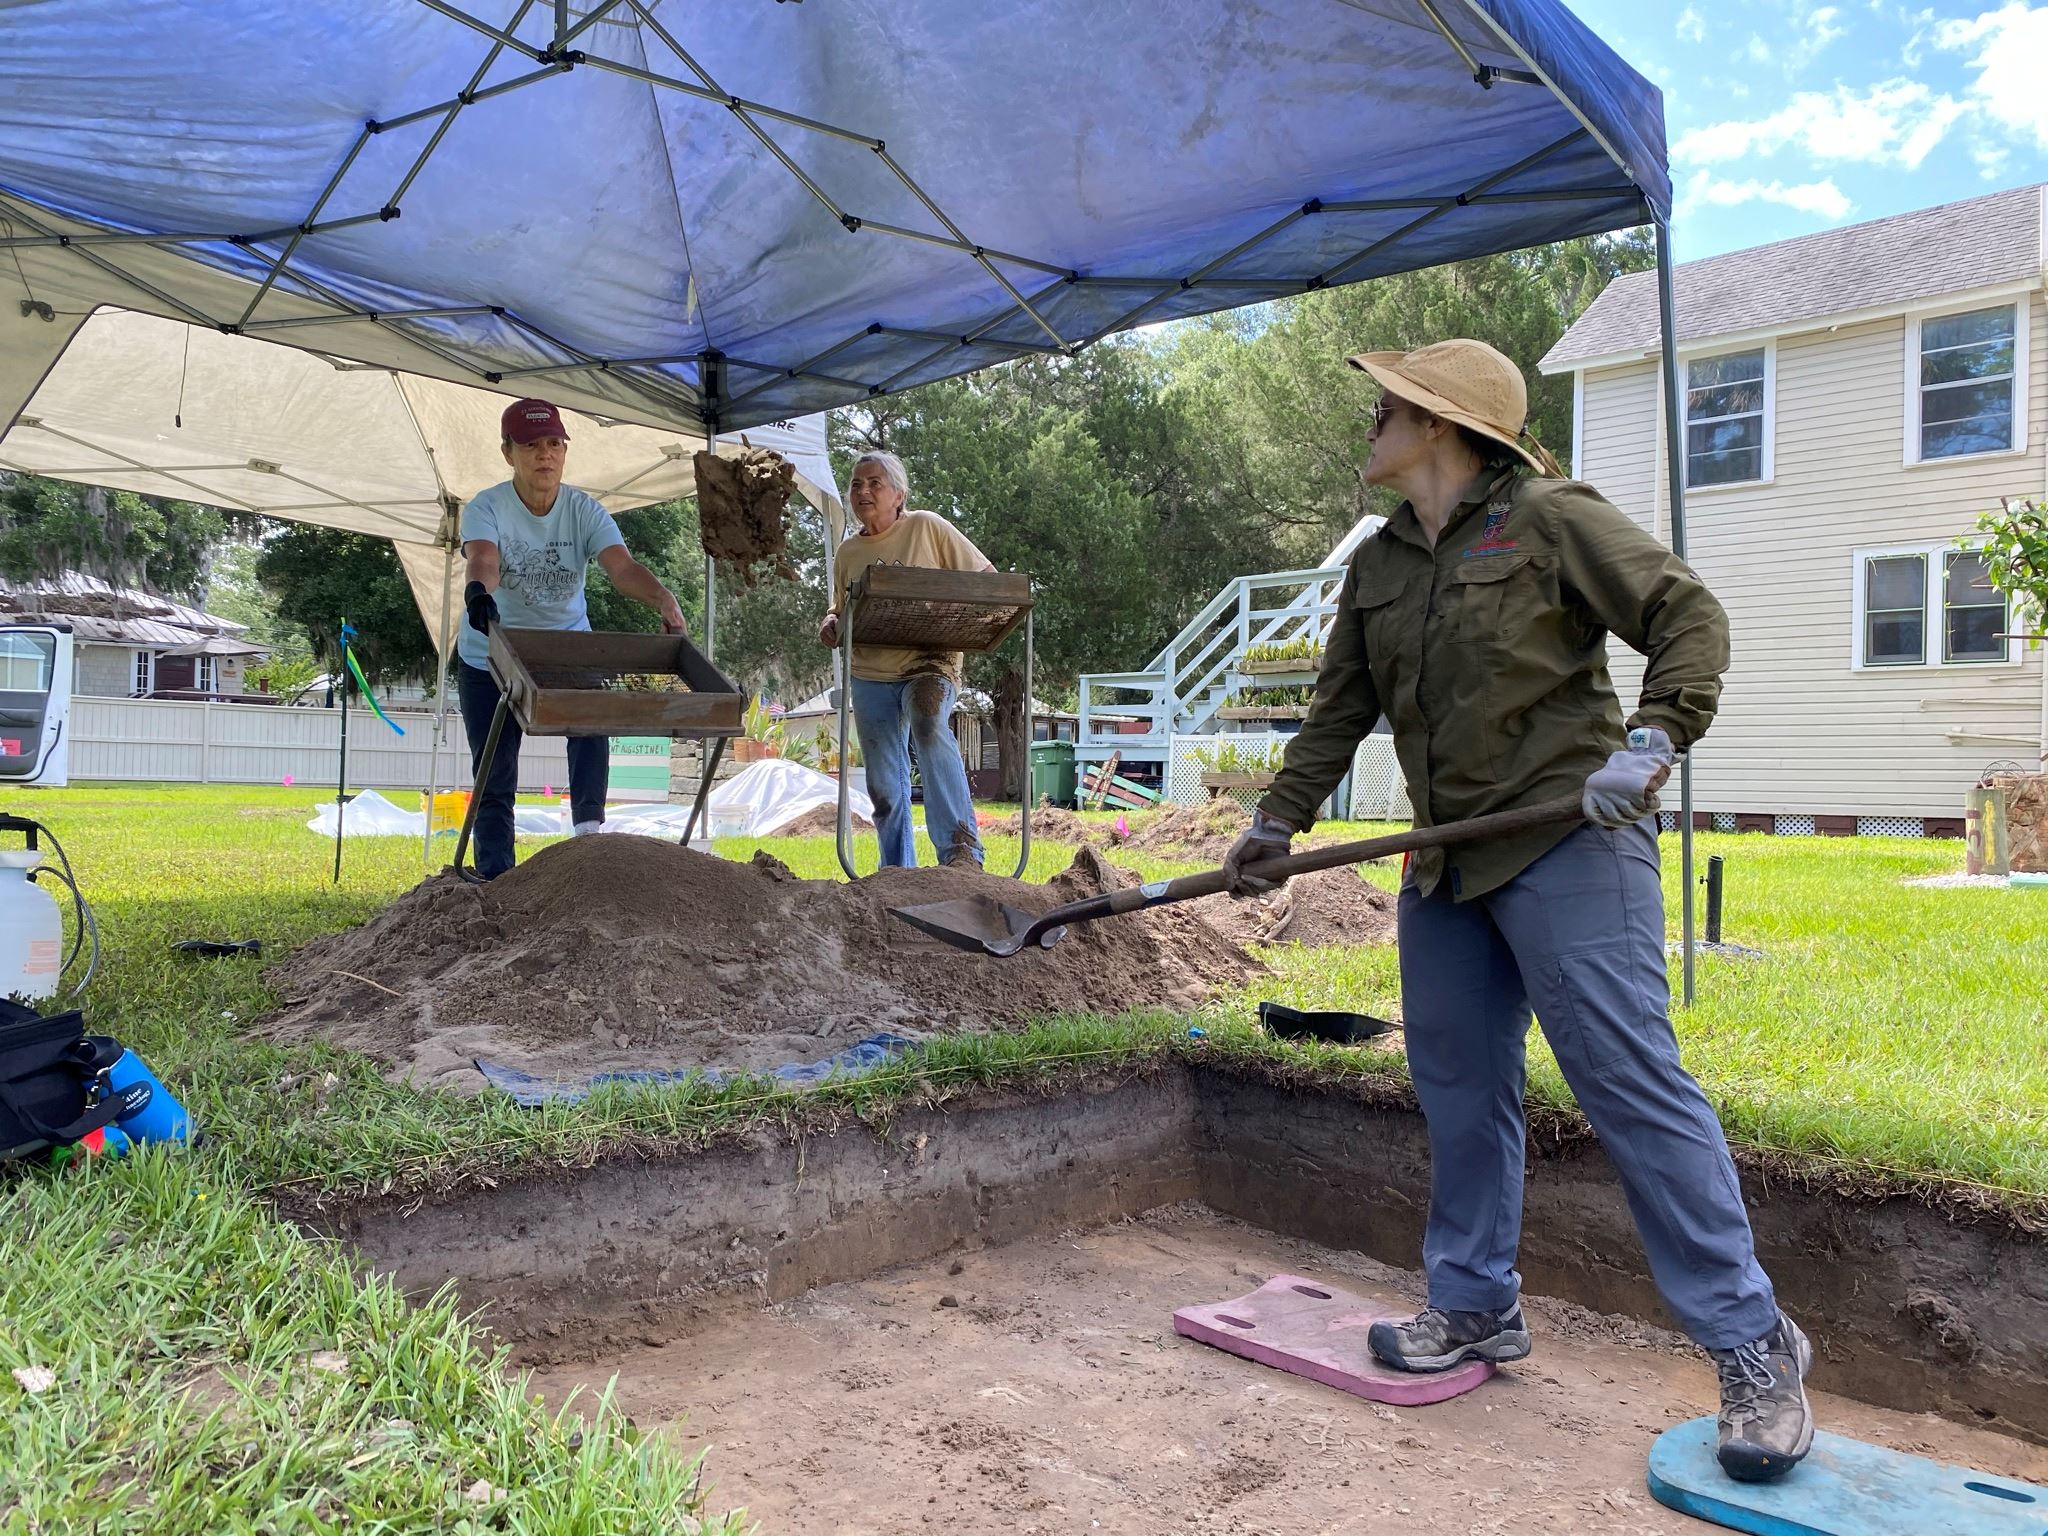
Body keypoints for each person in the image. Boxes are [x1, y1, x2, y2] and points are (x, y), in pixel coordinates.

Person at [1222, 339, 1813, 1484]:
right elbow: (1339, 708)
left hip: (1567, 843)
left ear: (1440, 424)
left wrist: (1651, 739)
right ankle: (1473, 1304)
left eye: (1388, 406)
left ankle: (1753, 1344)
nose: (1372, 421)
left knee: (1627, 1084)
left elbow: (1684, 612)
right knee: (1457, 1088)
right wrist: (1276, 821)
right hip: (1445, 869)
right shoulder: (1380, 563)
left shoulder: (1547, 519)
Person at [456, 397, 686, 879]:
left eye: (554, 444)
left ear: (564, 451)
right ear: (508, 452)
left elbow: (622, 568)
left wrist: (662, 598)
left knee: (591, 728)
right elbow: (484, 558)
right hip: (491, 653)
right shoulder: (487, 506)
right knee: (495, 768)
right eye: (531, 445)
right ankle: (496, 877)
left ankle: (588, 843)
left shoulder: (584, 510)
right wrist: (479, 593)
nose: (545, 454)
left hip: (565, 649)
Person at [819, 451, 992, 869]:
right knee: (883, 782)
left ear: (899, 495)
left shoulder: (927, 527)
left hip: (930, 661)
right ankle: (897, 870)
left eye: (874, 483)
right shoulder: (848, 553)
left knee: (929, 723)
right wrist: (829, 621)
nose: (863, 491)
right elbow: (838, 610)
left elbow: (987, 579)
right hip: (869, 671)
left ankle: (961, 853)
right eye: (856, 484)